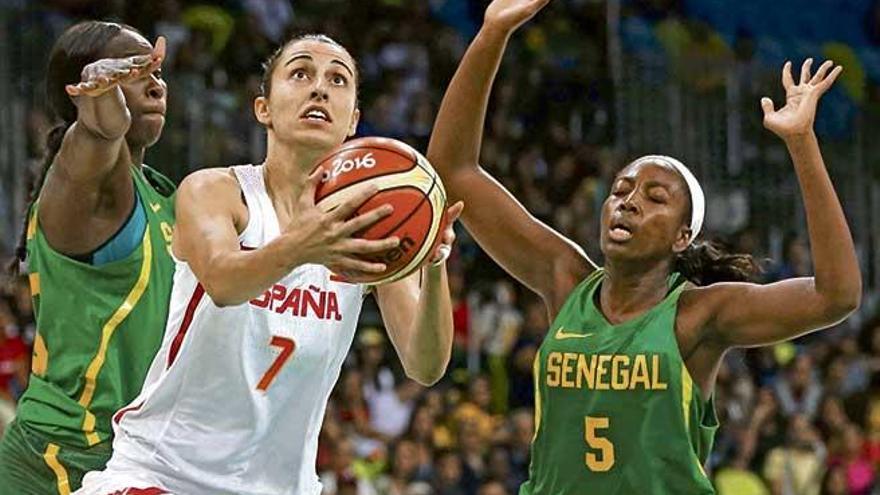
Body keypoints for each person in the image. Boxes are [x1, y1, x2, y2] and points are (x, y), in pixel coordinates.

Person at [426, 0, 861, 493]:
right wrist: (492, 33)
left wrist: (802, 142)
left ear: (683, 237)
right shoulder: (565, 279)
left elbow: (836, 296)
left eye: (654, 198)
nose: (627, 203)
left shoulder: (699, 315)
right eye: (619, 190)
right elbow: (453, 170)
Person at [75, 33, 462, 495]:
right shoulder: (217, 192)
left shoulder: (366, 225)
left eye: (337, 80)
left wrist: (433, 262)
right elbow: (222, 280)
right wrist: (306, 244)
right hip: (163, 475)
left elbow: (425, 365)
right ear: (264, 108)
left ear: (354, 121)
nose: (319, 88)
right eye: (300, 73)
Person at [0, 21, 176, 495]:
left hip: (135, 456)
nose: (156, 82)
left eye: (157, 70)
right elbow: (97, 137)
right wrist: (98, 113)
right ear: (83, 89)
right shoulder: (82, 189)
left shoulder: (166, 196)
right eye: (135, 69)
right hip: (61, 457)